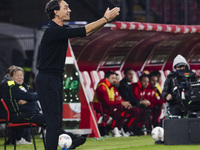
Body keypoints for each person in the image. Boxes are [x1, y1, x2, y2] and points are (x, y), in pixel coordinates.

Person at [35, 0, 120, 149]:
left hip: (54, 79)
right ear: (56, 12)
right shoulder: (53, 30)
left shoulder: (60, 30)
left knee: (54, 122)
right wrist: (105, 19)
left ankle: (71, 139)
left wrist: (104, 22)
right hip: (47, 79)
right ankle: (70, 138)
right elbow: (85, 31)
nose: (69, 10)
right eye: (66, 7)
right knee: (53, 123)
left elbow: (87, 32)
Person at [1, 67, 45, 144]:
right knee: (49, 120)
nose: (20, 77)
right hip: (22, 116)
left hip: (29, 114)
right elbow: (30, 97)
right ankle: (66, 137)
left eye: (21, 75)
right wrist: (33, 98)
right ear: (11, 77)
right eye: (17, 75)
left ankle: (65, 137)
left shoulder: (20, 86)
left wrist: (29, 99)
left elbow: (29, 96)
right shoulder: (11, 87)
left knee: (51, 119)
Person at [93, 71, 132, 137]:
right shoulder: (102, 86)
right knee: (119, 108)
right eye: (113, 78)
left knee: (126, 107)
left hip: (108, 106)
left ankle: (119, 128)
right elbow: (106, 102)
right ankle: (113, 128)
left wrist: (124, 103)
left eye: (115, 78)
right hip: (100, 107)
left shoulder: (111, 86)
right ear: (107, 79)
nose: (115, 80)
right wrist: (120, 103)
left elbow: (116, 98)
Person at [118, 68, 150, 135]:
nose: (132, 76)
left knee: (143, 110)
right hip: (123, 105)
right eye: (130, 74)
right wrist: (140, 102)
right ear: (125, 74)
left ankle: (137, 129)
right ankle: (127, 129)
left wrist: (140, 102)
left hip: (130, 104)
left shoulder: (128, 85)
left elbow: (132, 98)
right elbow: (127, 99)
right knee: (137, 111)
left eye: (132, 74)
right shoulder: (122, 85)